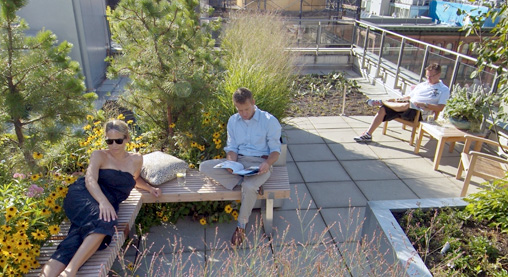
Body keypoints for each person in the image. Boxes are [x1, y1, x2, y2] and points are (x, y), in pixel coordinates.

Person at [41, 119, 161, 277]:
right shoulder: (99, 155)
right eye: (109, 141)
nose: (114, 146)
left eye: (118, 140)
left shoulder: (136, 159)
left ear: (127, 139)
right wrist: (103, 202)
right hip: (84, 194)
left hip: (107, 202)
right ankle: (70, 271)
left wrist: (150, 188)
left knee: (78, 236)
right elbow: (90, 180)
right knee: (105, 220)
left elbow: (134, 179)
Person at [199, 87, 282, 246]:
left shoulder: (269, 121)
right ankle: (242, 179)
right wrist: (231, 163)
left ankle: (241, 226)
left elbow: (275, 151)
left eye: (246, 109)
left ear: (253, 102)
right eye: (240, 110)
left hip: (260, 164)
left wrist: (267, 163)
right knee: (204, 167)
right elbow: (232, 148)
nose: (243, 113)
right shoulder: (233, 120)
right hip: (240, 163)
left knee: (250, 187)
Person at [354, 63, 450, 142]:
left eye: (431, 76)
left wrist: (424, 104)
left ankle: (382, 102)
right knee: (384, 109)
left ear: (438, 75)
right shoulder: (422, 85)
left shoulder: (444, 89)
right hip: (406, 107)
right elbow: (409, 97)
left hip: (419, 113)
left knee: (407, 104)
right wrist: (400, 99)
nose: (428, 78)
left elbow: (440, 107)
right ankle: (368, 134)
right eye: (427, 76)